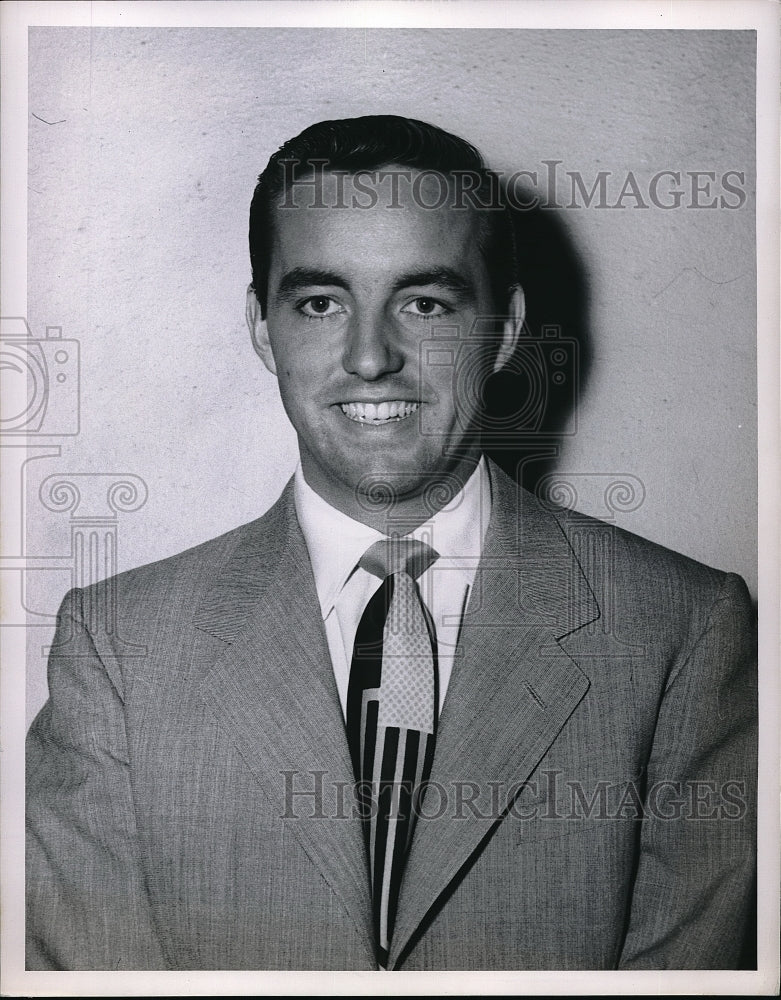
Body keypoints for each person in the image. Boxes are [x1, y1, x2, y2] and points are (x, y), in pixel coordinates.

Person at [26, 115, 757, 972]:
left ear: (507, 328)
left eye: (424, 302)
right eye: (320, 303)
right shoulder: (117, 646)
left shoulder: (682, 629)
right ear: (264, 328)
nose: (370, 357)